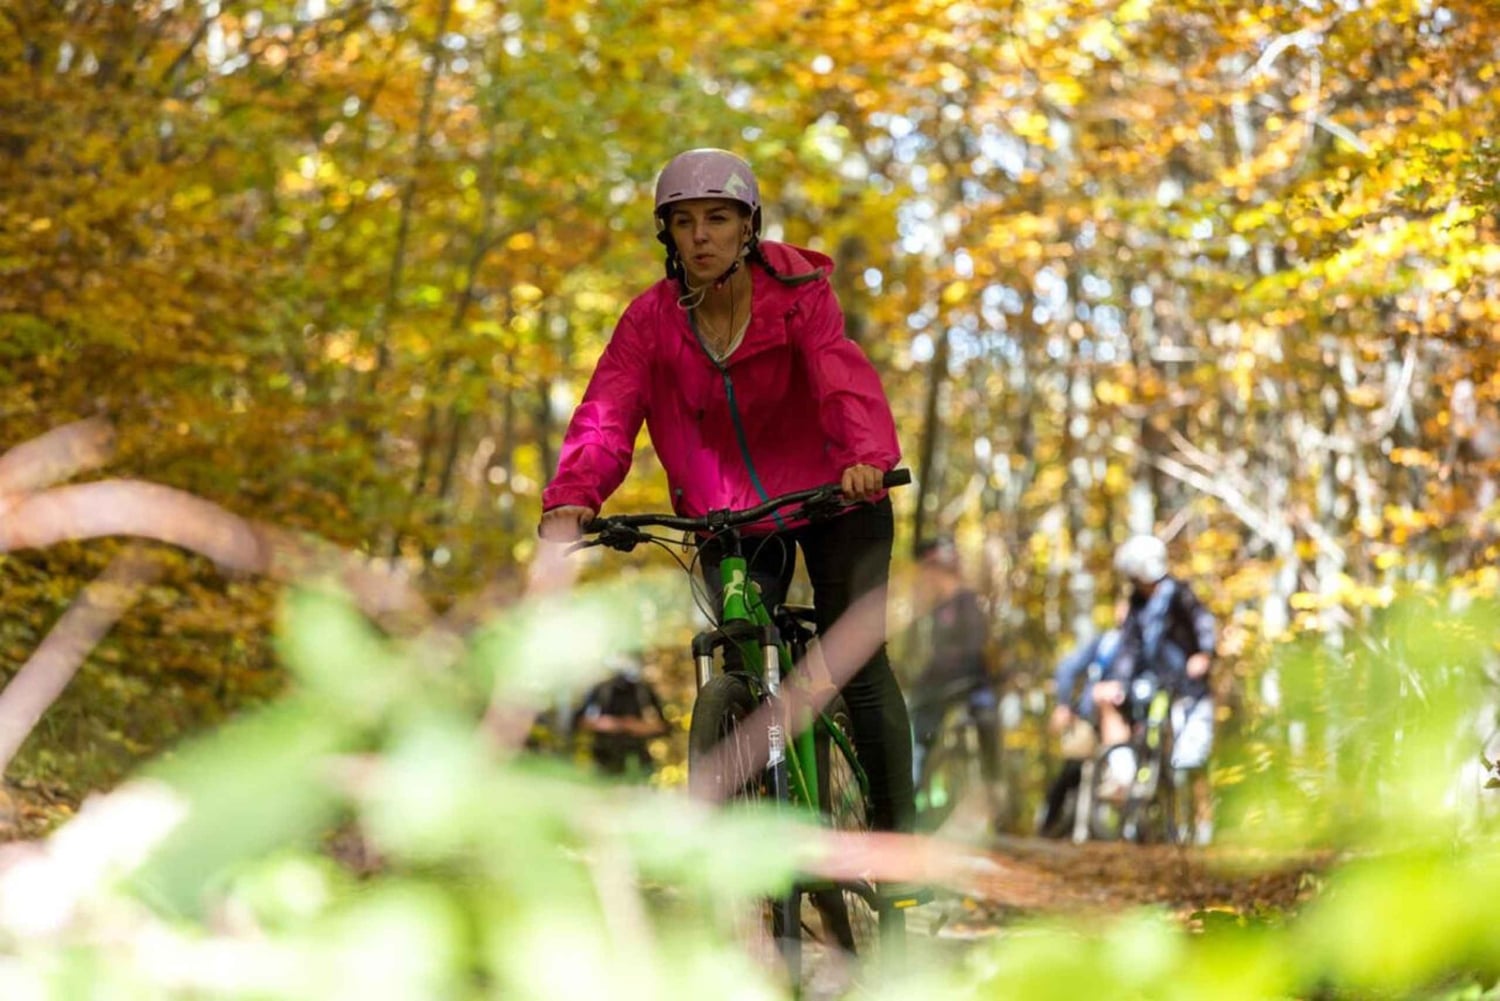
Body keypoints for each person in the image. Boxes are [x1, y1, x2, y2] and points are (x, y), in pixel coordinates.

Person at [537, 148, 913, 832]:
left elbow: (840, 375)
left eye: (718, 218)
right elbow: (607, 412)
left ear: (749, 227)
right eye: (684, 222)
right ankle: (747, 830)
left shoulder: (799, 295)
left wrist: (865, 455)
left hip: (837, 496)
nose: (701, 235)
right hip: (732, 518)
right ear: (668, 235)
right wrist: (575, 494)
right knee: (738, 649)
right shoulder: (649, 322)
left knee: (856, 659)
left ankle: (895, 849)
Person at [1091, 534, 1218, 844]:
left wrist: (1204, 654)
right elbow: (1128, 648)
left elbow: (1203, 624)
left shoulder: (1179, 595)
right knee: (1138, 728)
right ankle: (1138, 799)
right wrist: (1119, 682)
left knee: (1192, 758)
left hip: (1188, 688)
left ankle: (1202, 825)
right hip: (1154, 684)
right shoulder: (1137, 604)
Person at [904, 536, 998, 797]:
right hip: (937, 690)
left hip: (972, 685)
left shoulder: (967, 602)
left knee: (987, 719)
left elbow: (976, 644)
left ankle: (993, 789)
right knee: (920, 734)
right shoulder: (929, 612)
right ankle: (914, 793)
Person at [1037, 619, 1121, 838]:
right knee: (1072, 770)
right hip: (1091, 720)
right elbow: (1068, 667)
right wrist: (1064, 704)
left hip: (1129, 722)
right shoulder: (1106, 641)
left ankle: (1118, 833)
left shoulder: (1150, 640)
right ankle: (1049, 827)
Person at [573, 654, 669, 778]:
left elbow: (663, 726)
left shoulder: (643, 691)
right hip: (605, 760)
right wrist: (607, 724)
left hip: (638, 760)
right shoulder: (601, 689)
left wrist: (636, 726)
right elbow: (580, 722)